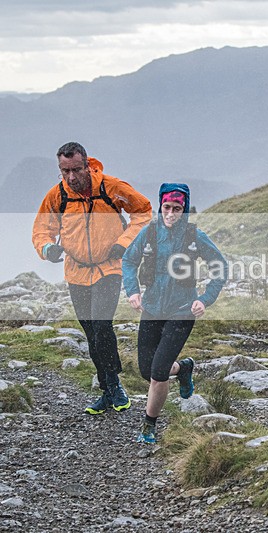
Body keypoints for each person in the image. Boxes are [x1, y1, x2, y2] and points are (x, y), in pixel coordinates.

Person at [32, 142, 152, 414]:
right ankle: (107, 390)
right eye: (65, 171)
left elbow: (143, 212)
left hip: (109, 268)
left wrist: (124, 243)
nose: (71, 177)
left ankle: (114, 384)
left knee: (101, 325)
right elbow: (41, 230)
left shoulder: (111, 188)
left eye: (76, 169)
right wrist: (48, 249)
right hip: (76, 272)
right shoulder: (58, 195)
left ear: (87, 165)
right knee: (90, 332)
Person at [122, 183, 228, 443]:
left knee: (158, 373)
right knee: (146, 370)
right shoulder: (149, 233)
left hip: (182, 310)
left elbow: (220, 267)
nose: (170, 213)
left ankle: (149, 426)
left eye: (177, 208)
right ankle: (183, 368)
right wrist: (133, 291)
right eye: (166, 207)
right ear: (160, 206)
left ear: (184, 209)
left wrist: (205, 299)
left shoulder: (194, 236)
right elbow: (129, 260)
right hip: (152, 308)